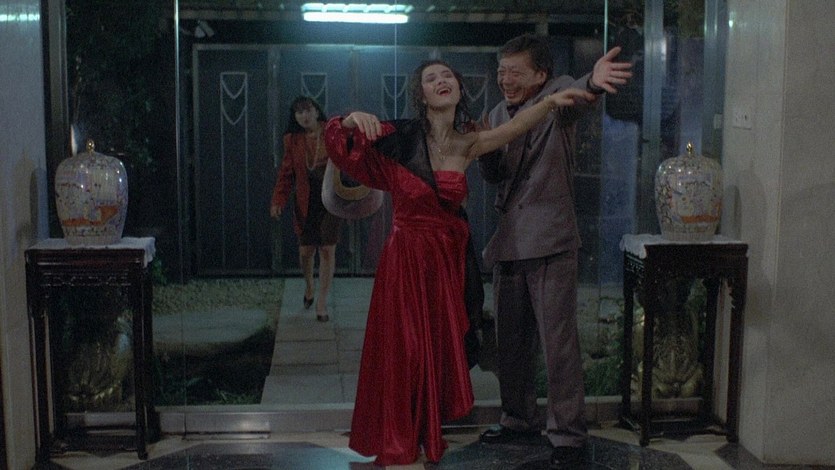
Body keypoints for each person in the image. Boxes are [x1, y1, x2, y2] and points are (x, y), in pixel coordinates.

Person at [323, 59, 596, 466]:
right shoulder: (400, 136)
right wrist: (348, 121)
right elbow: (342, 148)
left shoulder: (467, 142)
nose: (441, 81)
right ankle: (399, 435)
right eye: (431, 78)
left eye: (447, 75)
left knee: (433, 351)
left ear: (459, 89)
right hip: (406, 261)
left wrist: (550, 102)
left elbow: (513, 129)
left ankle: (427, 432)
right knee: (406, 350)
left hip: (445, 263)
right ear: (421, 94)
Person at [476, 34, 633, 470]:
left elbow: (577, 96)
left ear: (541, 75)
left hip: (550, 240)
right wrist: (482, 148)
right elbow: (495, 175)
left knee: (558, 343)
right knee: (510, 343)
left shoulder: (556, 93)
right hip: (509, 241)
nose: (505, 80)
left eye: (515, 72)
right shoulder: (495, 113)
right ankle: (518, 419)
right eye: (501, 71)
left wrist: (594, 81)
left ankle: (567, 433)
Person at [270, 96, 342, 322]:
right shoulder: (292, 140)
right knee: (306, 251)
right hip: (305, 199)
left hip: (330, 197)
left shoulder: (332, 132)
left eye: (308, 110)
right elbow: (286, 173)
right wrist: (278, 200)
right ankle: (309, 285)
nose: (304, 116)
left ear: (317, 111)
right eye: (299, 112)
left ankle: (322, 302)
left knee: (327, 250)